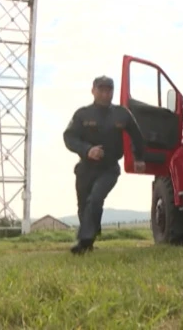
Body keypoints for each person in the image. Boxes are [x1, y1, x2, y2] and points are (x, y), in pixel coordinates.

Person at [63, 76, 146, 255]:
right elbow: (69, 137)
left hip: (109, 168)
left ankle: (84, 242)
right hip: (86, 168)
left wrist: (139, 158)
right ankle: (90, 237)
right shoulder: (82, 114)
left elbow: (137, 137)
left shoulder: (122, 114)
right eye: (101, 90)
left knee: (96, 198)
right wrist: (87, 150)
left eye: (109, 90)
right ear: (93, 90)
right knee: (84, 205)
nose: (105, 93)